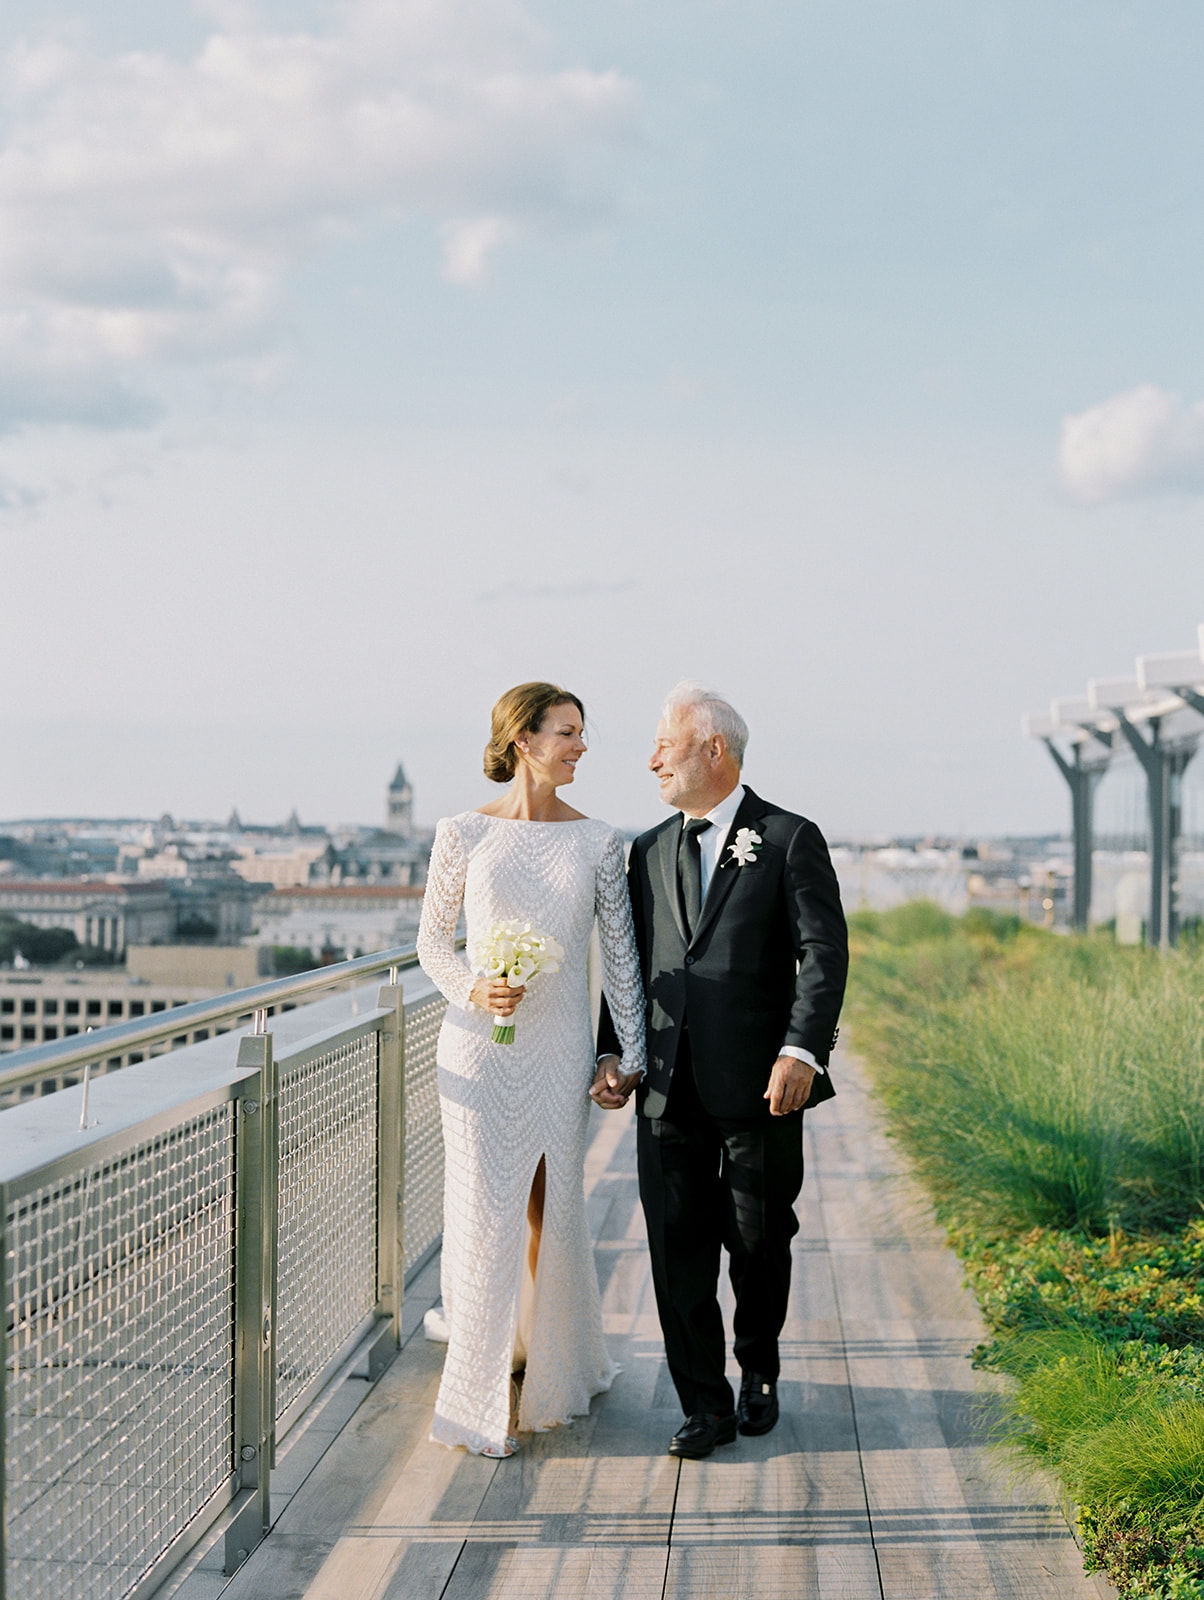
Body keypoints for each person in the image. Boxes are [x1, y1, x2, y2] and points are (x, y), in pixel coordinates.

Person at [598, 680, 847, 1459]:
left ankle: (758, 1372)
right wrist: (613, 1051)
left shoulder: (790, 837)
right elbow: (625, 968)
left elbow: (823, 953)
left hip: (764, 1088)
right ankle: (703, 1404)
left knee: (760, 1241)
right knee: (678, 1251)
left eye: (663, 748)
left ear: (715, 750)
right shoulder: (646, 850)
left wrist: (800, 1050)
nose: (651, 763)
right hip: (666, 1090)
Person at [417, 681, 645, 1458]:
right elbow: (431, 946)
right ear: (525, 740)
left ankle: (543, 1368)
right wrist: (475, 987)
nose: (581, 745)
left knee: (553, 1214)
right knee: (484, 1217)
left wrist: (629, 1058)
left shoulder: (598, 842)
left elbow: (620, 960)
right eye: (568, 732)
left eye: (582, 732)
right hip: (478, 1049)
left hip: (557, 1053)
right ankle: (481, 1398)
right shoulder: (462, 834)